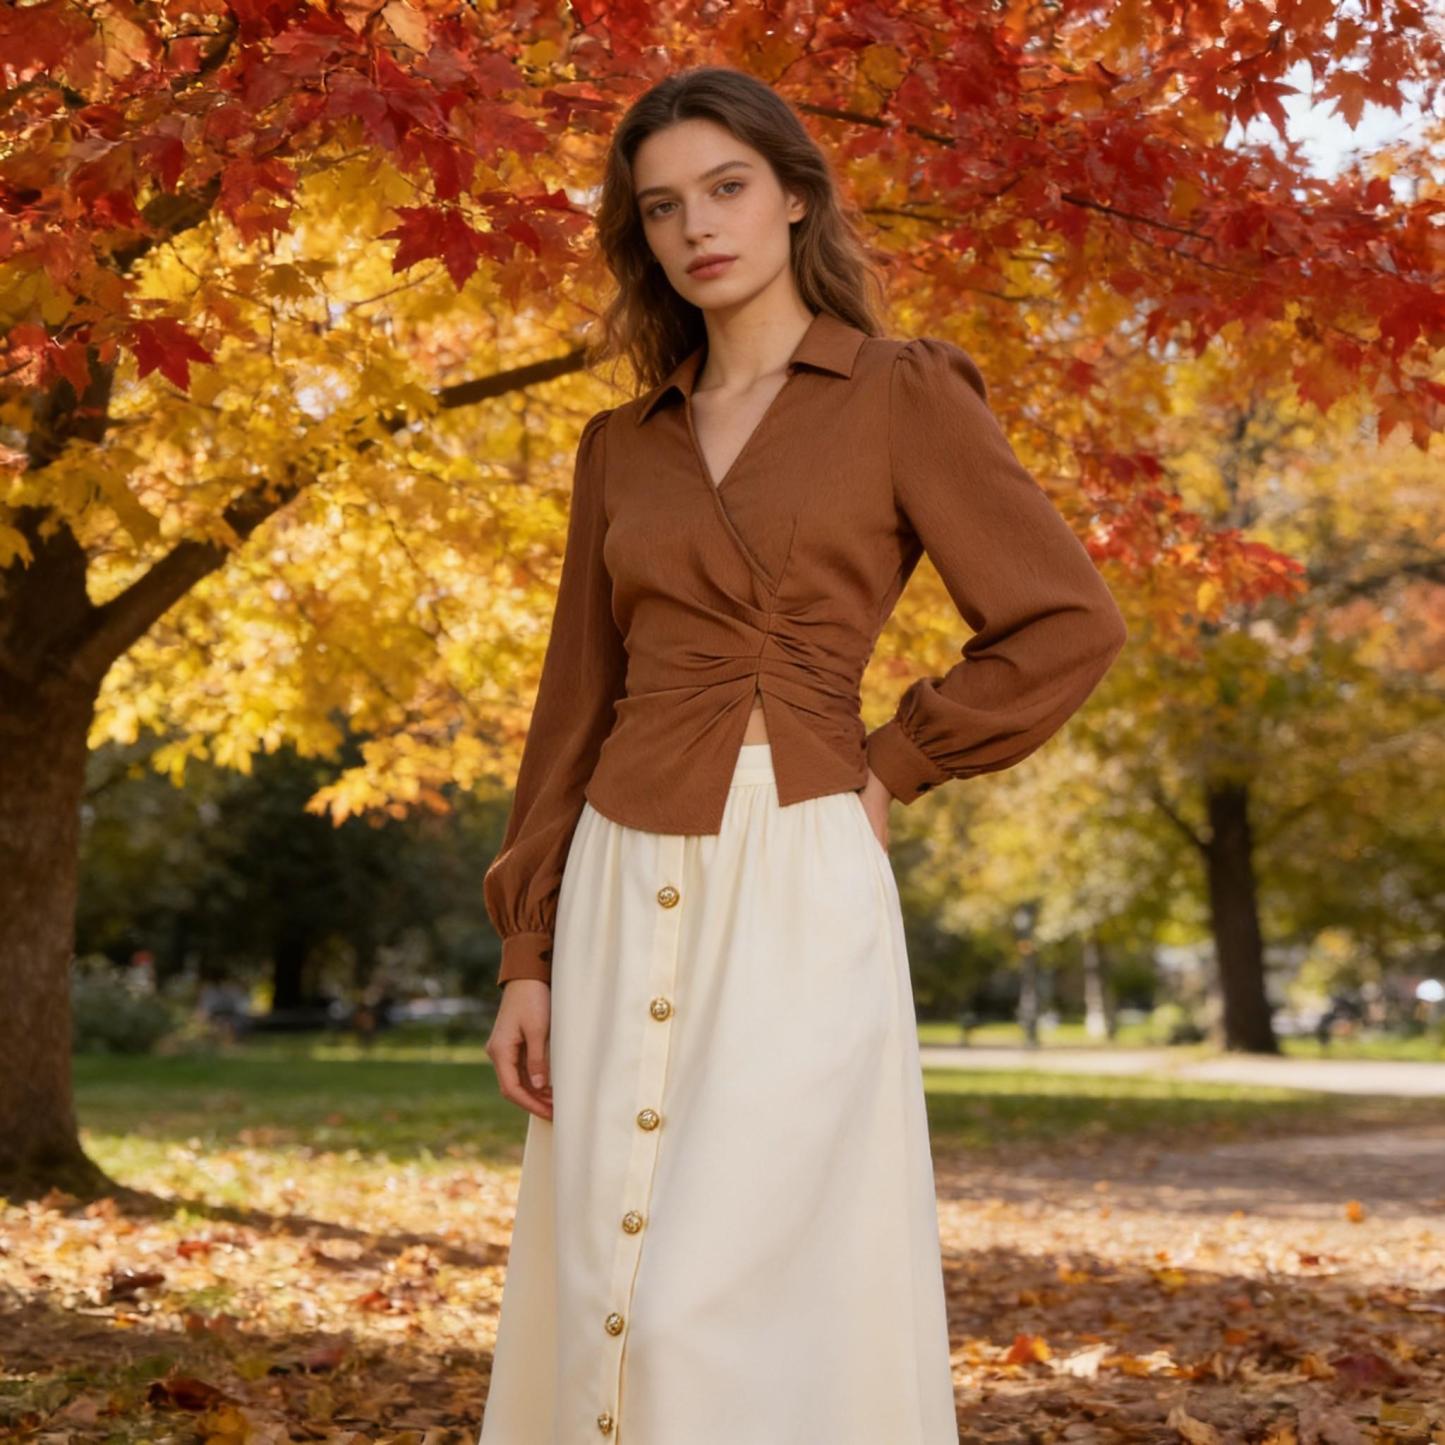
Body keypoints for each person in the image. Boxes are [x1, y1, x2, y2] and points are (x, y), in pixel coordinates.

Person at [478, 65, 1128, 1444]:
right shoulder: (620, 447)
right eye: (660, 208)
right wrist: (524, 953)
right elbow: (570, 708)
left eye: (724, 188)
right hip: (611, 866)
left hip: (798, 867)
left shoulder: (898, 391)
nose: (696, 227)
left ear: (792, 197)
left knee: (715, 1298)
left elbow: (1065, 620)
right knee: (606, 1278)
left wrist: (894, 760)